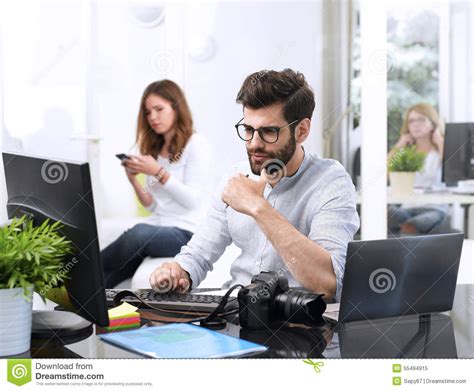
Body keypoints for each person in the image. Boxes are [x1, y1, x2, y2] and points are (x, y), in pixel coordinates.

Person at [148, 69, 359, 301]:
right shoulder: (236, 176)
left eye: (269, 131)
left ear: (302, 131)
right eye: (248, 130)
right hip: (235, 313)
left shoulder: (331, 182)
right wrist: (180, 271)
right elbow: (199, 254)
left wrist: (258, 207)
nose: (254, 144)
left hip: (299, 324)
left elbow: (329, 283)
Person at [102, 80, 210, 288]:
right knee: (120, 268)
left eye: (159, 109)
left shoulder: (196, 144)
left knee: (138, 233)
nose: (152, 117)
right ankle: (90, 301)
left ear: (176, 108)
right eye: (148, 112)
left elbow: (192, 201)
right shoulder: (157, 148)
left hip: (186, 232)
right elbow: (153, 206)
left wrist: (158, 172)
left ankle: (84, 266)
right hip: (160, 226)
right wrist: (133, 179)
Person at [387, 103, 447, 235]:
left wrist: (440, 141)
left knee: (413, 224)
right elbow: (385, 171)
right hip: (408, 206)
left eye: (421, 119)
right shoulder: (406, 153)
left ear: (433, 124)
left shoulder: (439, 150)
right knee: (390, 213)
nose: (415, 124)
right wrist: (400, 144)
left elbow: (451, 168)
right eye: (411, 121)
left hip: (434, 208)